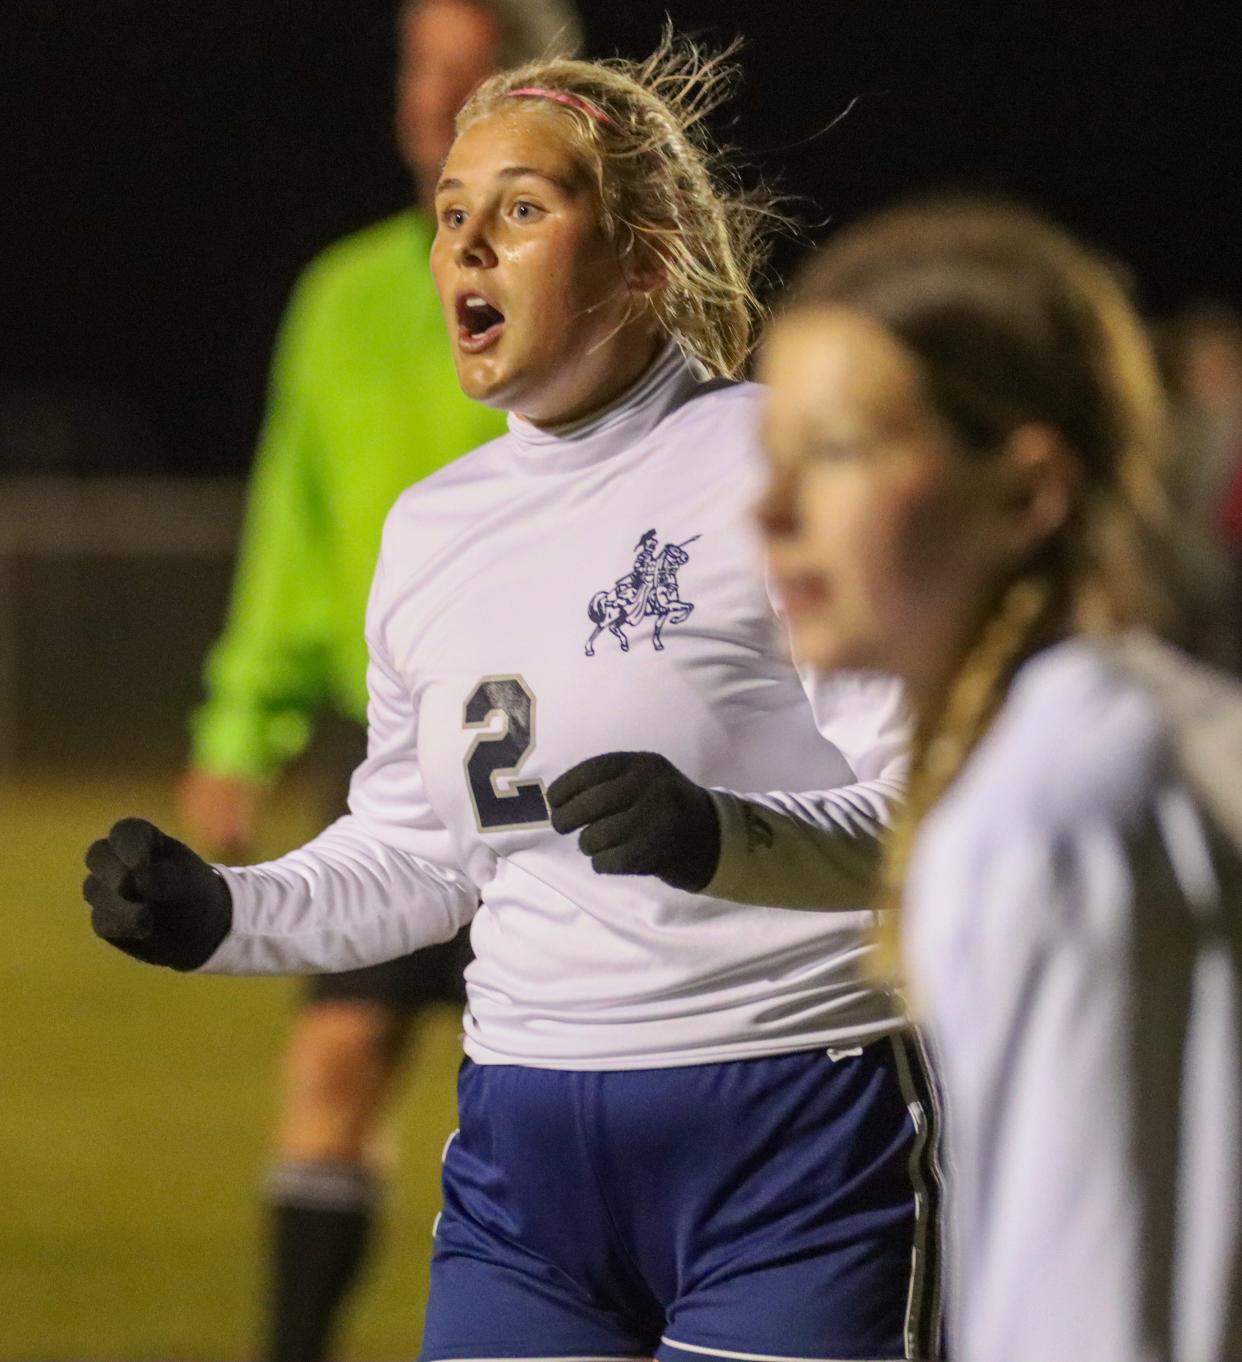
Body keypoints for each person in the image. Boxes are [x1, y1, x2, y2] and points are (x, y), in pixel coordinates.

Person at [82, 37, 945, 1362]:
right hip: (524, 1166)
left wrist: (724, 837)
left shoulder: (782, 459)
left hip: (790, 1133)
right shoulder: (430, 529)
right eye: (451, 214)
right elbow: (423, 850)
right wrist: (226, 912)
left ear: (644, 256)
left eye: (522, 209)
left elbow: (937, 819)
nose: (467, 243)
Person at [753, 197, 1242, 1361]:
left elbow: (1100, 1313)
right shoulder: (1144, 733)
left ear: (1027, 493)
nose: (769, 513)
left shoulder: (1055, 805)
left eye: (835, 452)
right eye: (769, 457)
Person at [177, 4, 581, 1358]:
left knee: (549, 1087)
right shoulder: (347, 294)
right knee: (336, 1058)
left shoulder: (599, 283)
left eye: (471, 70)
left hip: (578, 734)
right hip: (396, 740)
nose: (436, 95)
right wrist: (241, 724)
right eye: (421, 69)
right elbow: (290, 532)